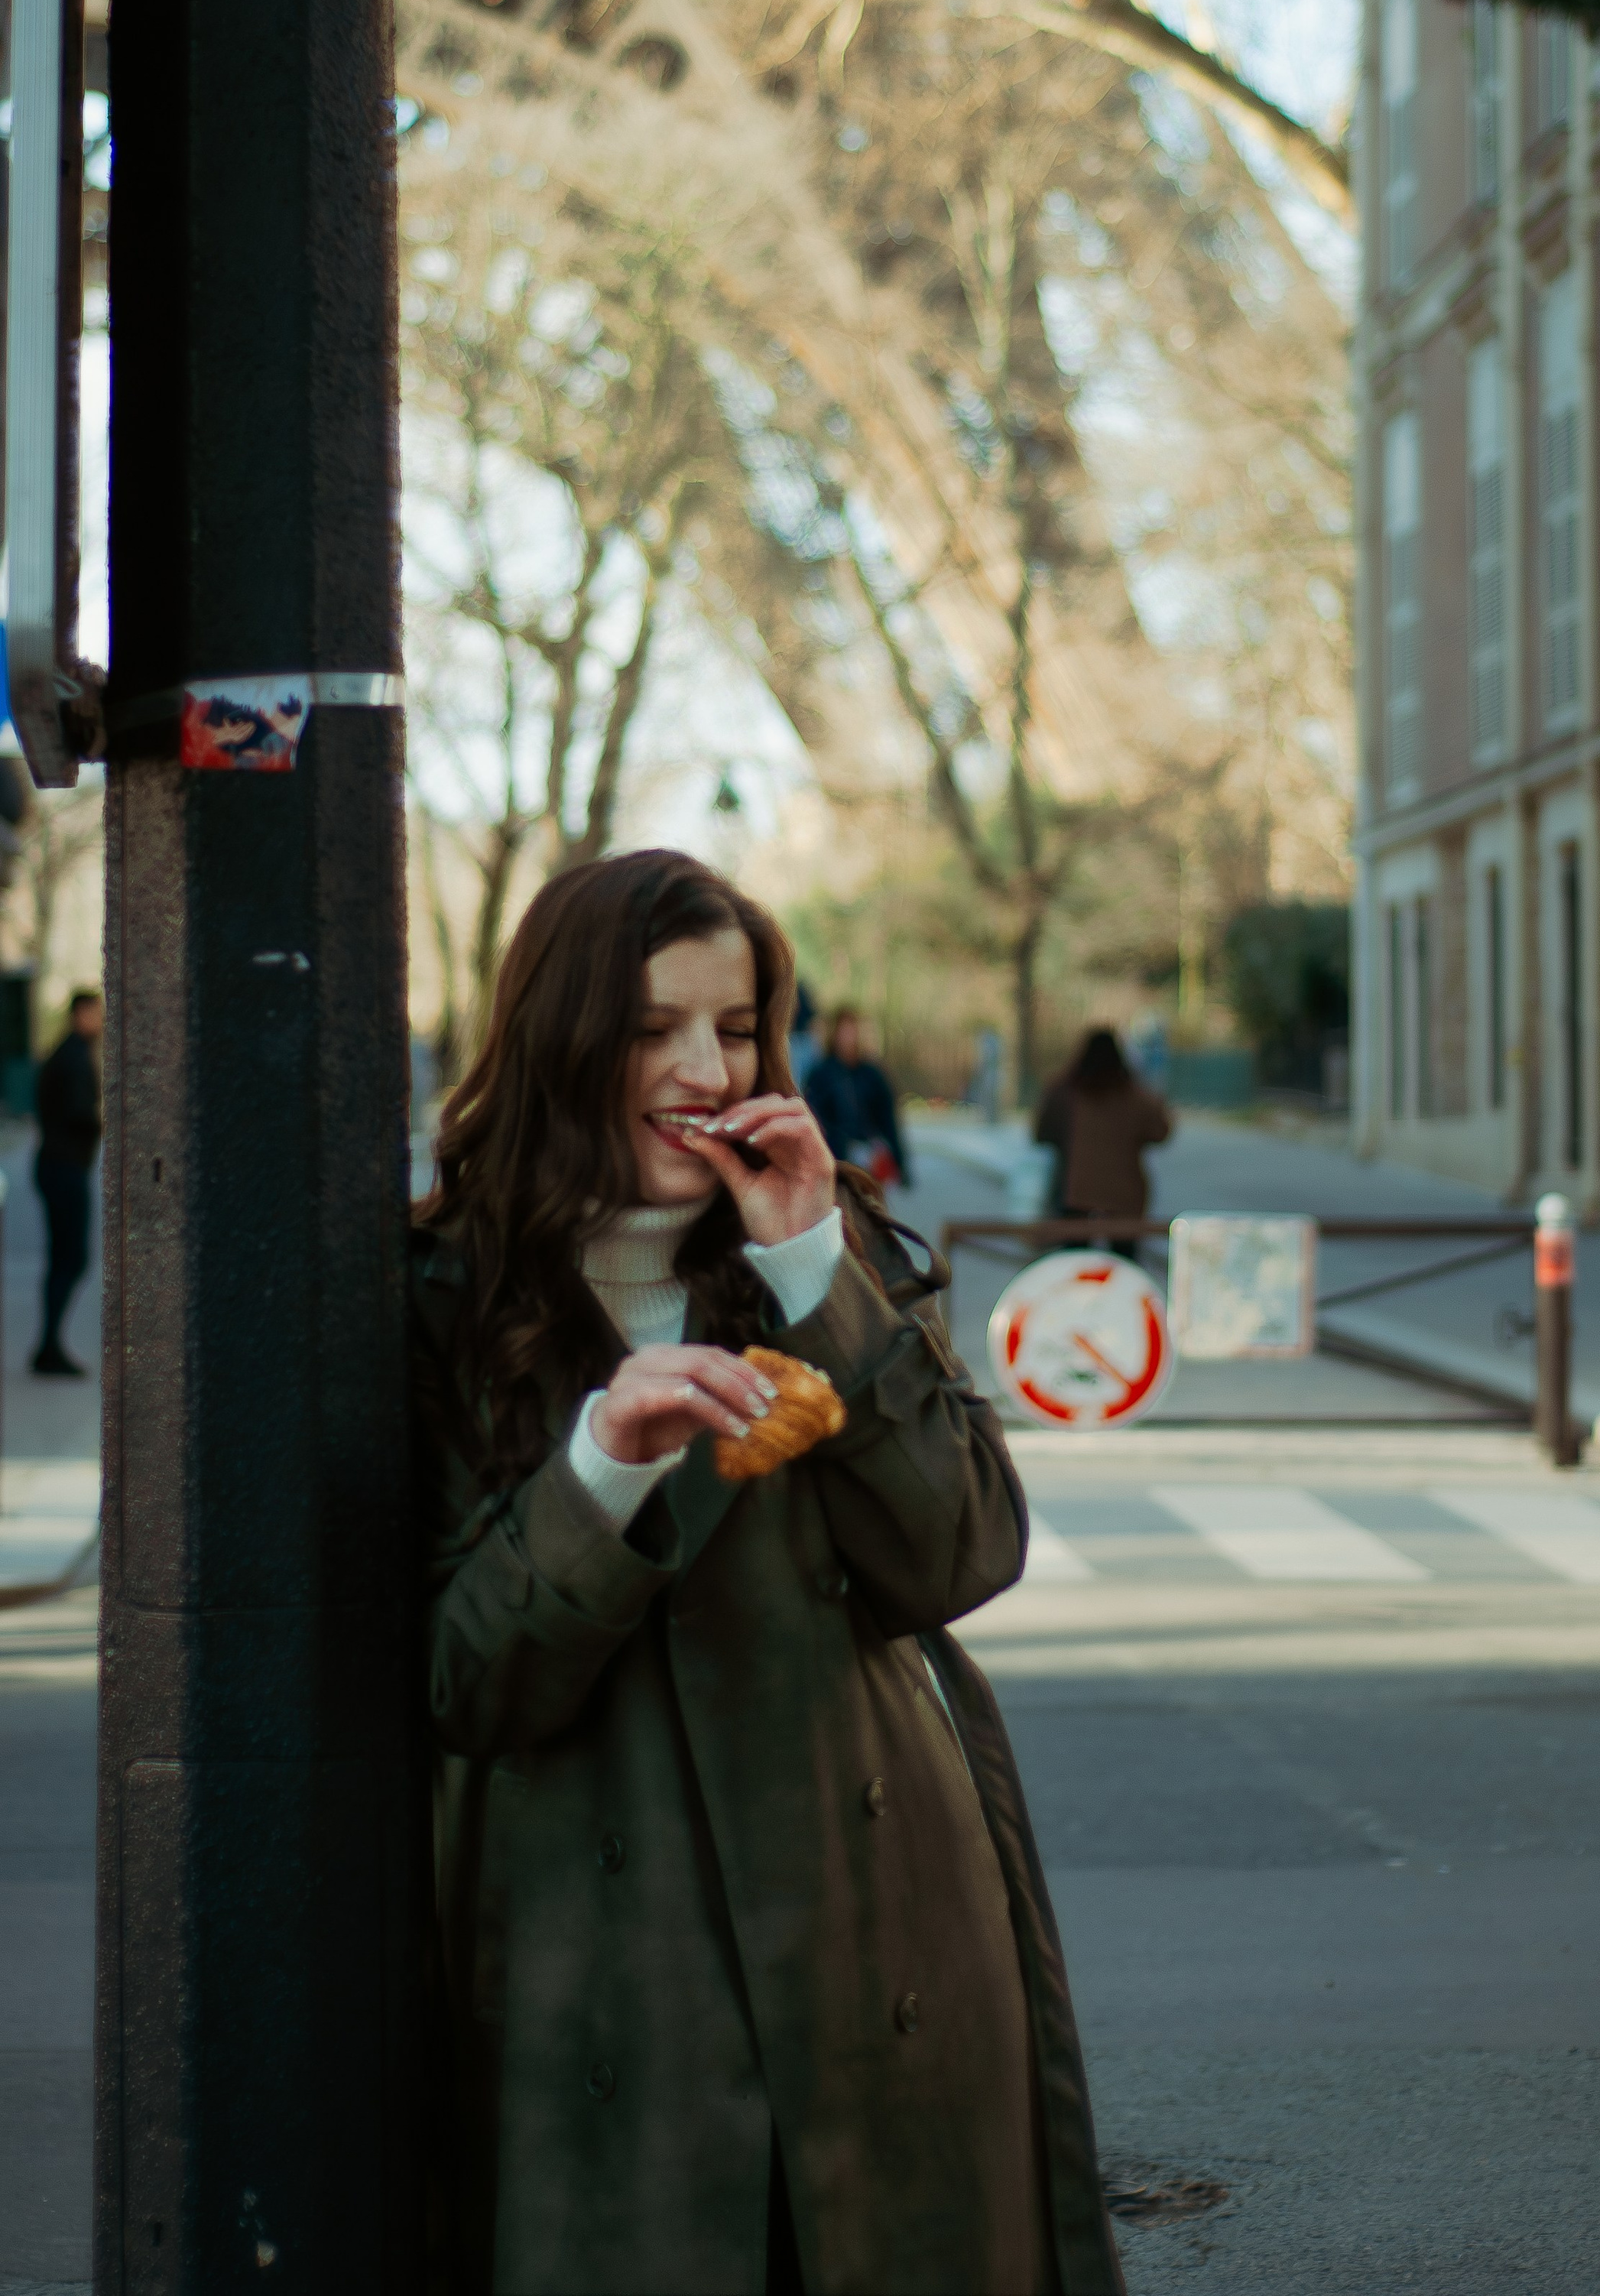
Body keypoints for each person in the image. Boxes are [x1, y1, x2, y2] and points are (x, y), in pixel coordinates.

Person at [411, 850, 1123, 2296]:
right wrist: (602, 1466)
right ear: (562, 1043)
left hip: (882, 1941)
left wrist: (815, 1271)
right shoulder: (445, 1296)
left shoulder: (820, 1245)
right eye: (650, 1029)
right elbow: (463, 1680)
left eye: (732, 1029)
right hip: (610, 1977)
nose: (700, 1069)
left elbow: (966, 1549)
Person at [1035, 1028, 1174, 1239]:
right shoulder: (1134, 1097)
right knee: (1123, 1262)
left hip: (1074, 1192)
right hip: (1125, 1194)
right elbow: (1160, 1131)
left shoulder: (1064, 1092)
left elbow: (1041, 1133)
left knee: (1075, 1260)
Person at [31, 989, 102, 1379]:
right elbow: (79, 1115)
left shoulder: (67, 1053)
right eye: (95, 1013)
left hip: (59, 1165)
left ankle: (49, 1345)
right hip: (64, 1167)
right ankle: (49, 1347)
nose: (100, 1021)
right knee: (69, 1259)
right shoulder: (74, 1057)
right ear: (80, 1014)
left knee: (66, 1258)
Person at [801, 1004, 910, 1187]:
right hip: (835, 1161)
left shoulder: (874, 1075)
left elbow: (888, 1119)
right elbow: (814, 1118)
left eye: (852, 1030)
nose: (848, 1037)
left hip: (870, 1158)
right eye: (843, 1031)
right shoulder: (821, 1074)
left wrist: (900, 1162)